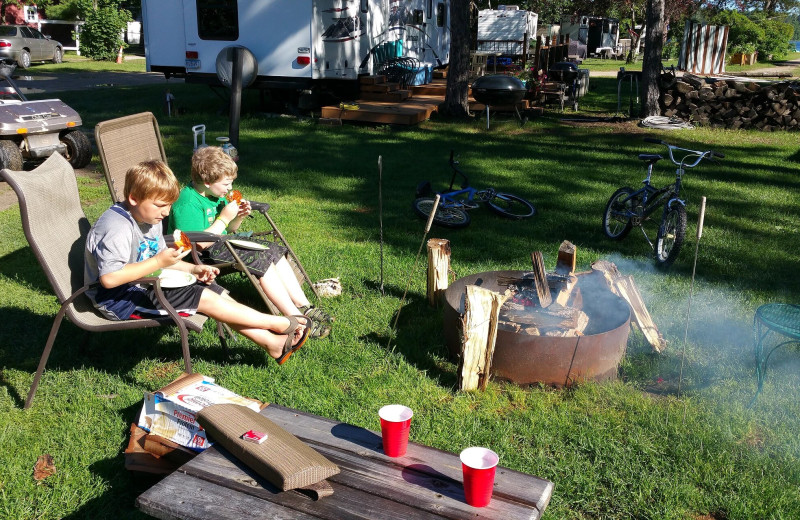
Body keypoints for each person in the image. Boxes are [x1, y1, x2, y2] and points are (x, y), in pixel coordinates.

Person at [84, 160, 310, 365]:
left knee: (214, 291)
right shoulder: (116, 227)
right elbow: (110, 279)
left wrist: (193, 268)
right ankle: (279, 324)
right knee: (205, 298)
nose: (166, 213)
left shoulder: (147, 215)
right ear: (133, 198)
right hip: (119, 299)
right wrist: (157, 261)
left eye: (169, 205)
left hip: (145, 281)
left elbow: (161, 260)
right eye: (161, 205)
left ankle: (273, 344)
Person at [169, 146, 332, 338]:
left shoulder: (214, 195)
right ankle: (294, 318)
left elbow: (229, 229)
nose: (230, 189)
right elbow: (198, 244)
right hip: (200, 256)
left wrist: (238, 216)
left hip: (222, 242)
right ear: (206, 181)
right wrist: (224, 217)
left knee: (274, 250)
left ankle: (304, 306)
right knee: (260, 260)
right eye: (226, 184)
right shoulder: (188, 202)